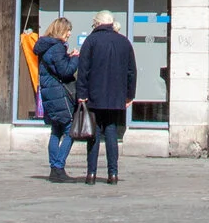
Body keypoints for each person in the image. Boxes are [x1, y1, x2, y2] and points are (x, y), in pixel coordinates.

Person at [76, 10, 136, 185]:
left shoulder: (91, 41)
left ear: (97, 23)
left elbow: (83, 70)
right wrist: (129, 95)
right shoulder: (124, 42)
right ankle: (113, 173)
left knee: (92, 135)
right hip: (116, 96)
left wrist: (81, 94)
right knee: (111, 132)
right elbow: (131, 71)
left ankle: (91, 174)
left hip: (94, 95)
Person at [32, 17, 78, 183]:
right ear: (61, 31)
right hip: (59, 95)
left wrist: (67, 56)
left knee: (56, 130)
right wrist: (75, 58)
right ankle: (58, 166)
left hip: (49, 93)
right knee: (70, 131)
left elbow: (55, 65)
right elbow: (65, 71)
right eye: (68, 30)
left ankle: (54, 168)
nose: (69, 34)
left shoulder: (46, 47)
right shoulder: (57, 47)